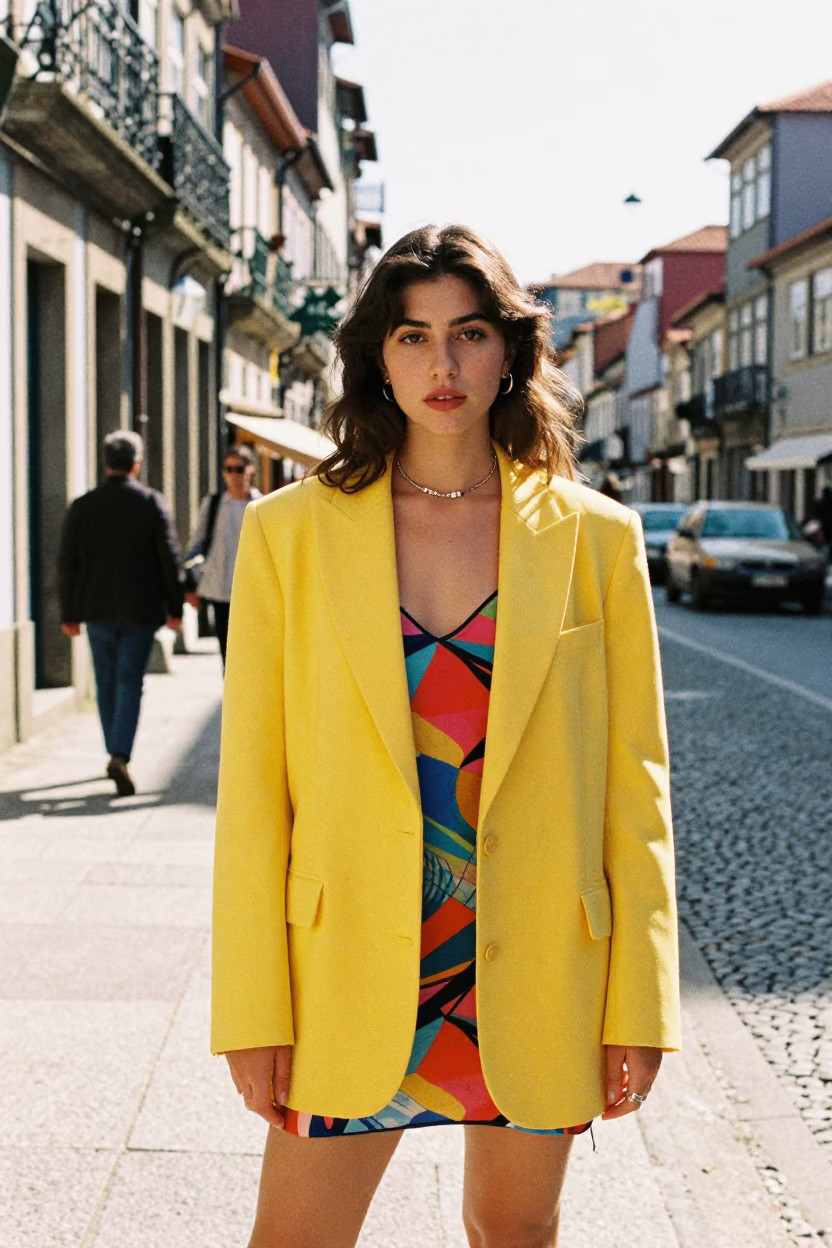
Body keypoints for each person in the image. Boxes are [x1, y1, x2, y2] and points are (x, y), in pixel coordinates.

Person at [212, 225, 680, 1248]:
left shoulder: (595, 537)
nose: (443, 365)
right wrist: (251, 1008)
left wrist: (641, 1006)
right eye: (414, 337)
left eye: (468, 333)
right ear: (377, 355)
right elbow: (252, 791)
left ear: (508, 351)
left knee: (512, 1234)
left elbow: (635, 787)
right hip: (348, 966)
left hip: (539, 966)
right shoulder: (289, 536)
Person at [58, 431, 184, 797]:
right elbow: (169, 558)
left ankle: (113, 748)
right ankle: (119, 752)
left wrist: (69, 611)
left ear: (105, 463)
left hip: (96, 610)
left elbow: (68, 564)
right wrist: (174, 607)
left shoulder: (83, 506)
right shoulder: (150, 503)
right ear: (136, 464)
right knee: (131, 681)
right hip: (140, 611)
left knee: (105, 681)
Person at [184, 444, 261, 669]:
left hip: (253, 593)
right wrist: (190, 586)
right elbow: (196, 544)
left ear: (250, 470)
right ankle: (232, 701)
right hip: (219, 591)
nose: (234, 475)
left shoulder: (261, 505)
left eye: (239, 468)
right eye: (229, 469)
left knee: (251, 654)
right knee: (227, 654)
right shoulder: (214, 504)